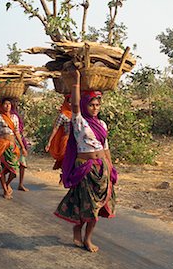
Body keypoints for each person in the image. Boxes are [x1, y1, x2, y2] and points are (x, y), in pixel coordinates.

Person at [54, 69, 118, 253]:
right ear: (84, 105)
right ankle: (78, 228)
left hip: (101, 169)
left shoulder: (102, 124)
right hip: (85, 168)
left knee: (97, 208)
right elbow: (74, 105)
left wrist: (111, 169)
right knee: (87, 205)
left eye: (98, 105)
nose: (95, 108)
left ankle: (88, 238)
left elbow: (105, 149)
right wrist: (77, 82)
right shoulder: (79, 121)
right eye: (91, 105)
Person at [0, 88, 27, 199]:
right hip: (0, 144)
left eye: (9, 104)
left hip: (11, 145)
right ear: (1, 106)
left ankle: (7, 184)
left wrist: (22, 147)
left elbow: (17, 132)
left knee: (14, 170)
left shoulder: (14, 118)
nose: (7, 106)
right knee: (0, 168)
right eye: (5, 104)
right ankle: (4, 190)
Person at [45, 95, 72, 184]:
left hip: (77, 140)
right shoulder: (63, 115)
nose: (71, 104)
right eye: (69, 102)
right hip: (66, 140)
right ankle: (64, 175)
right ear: (66, 102)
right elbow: (55, 128)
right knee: (65, 158)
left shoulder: (78, 114)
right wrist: (49, 142)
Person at [10, 99, 29, 192]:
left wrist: (23, 146)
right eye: (13, 102)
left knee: (22, 164)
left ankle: (20, 184)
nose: (15, 103)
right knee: (10, 164)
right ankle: (6, 184)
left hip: (20, 140)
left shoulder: (18, 113)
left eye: (16, 101)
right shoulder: (8, 114)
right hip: (11, 141)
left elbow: (19, 130)